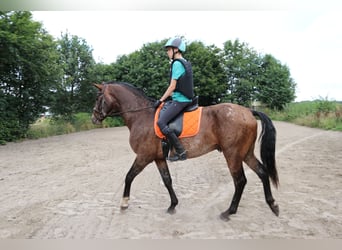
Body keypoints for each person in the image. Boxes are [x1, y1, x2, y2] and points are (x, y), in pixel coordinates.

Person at [154, 37, 194, 161]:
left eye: (168, 50)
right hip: (183, 99)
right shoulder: (184, 62)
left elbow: (172, 86)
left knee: (161, 122)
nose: (167, 52)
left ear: (176, 49)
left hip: (180, 101)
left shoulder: (177, 63)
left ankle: (180, 151)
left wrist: (161, 100)